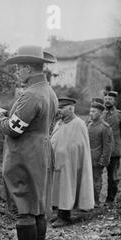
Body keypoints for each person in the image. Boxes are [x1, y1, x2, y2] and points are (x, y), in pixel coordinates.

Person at [0, 45, 58, 240]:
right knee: (37, 208)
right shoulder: (48, 92)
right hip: (41, 152)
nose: (17, 73)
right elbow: (30, 121)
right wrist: (7, 113)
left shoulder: (30, 95)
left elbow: (13, 129)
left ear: (27, 68)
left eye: (18, 69)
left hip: (25, 156)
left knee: (24, 208)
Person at [50, 98, 94, 227]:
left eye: (61, 108)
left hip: (70, 164)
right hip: (58, 163)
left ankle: (64, 216)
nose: (58, 111)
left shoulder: (78, 124)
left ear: (70, 108)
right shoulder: (60, 123)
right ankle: (60, 214)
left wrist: (65, 154)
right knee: (58, 188)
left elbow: (78, 146)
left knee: (66, 188)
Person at [87, 98, 113, 207]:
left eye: (94, 111)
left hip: (97, 160)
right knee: (87, 181)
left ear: (100, 113)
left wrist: (103, 161)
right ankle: (88, 201)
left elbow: (107, 147)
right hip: (87, 158)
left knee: (96, 181)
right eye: (91, 111)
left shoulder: (104, 127)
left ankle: (96, 202)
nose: (91, 113)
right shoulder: (89, 125)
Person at [102, 90, 121, 204]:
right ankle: (95, 200)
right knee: (96, 175)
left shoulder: (119, 115)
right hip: (101, 150)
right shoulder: (100, 114)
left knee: (112, 177)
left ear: (115, 101)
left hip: (114, 151)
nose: (107, 101)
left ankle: (110, 199)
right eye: (106, 99)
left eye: (110, 99)